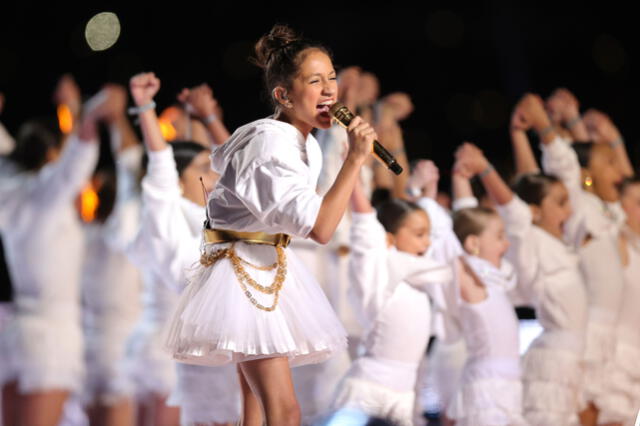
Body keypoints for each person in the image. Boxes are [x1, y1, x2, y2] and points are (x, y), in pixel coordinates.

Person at [162, 24, 376, 426]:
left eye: (332, 77)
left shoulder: (301, 141)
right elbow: (321, 228)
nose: (330, 90)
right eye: (315, 81)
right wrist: (354, 160)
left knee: (258, 410)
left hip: (264, 267)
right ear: (283, 94)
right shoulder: (270, 144)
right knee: (284, 411)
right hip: (244, 277)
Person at [127, 71, 241, 426]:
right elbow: (161, 166)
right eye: (204, 169)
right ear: (177, 181)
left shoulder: (216, 216)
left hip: (233, 347)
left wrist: (206, 117)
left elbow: (239, 171)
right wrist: (145, 107)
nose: (215, 175)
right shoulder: (166, 214)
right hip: (194, 355)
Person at [456, 136, 588, 425]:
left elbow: (532, 185)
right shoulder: (529, 239)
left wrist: (520, 135)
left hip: (573, 357)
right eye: (561, 203)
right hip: (555, 360)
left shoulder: (561, 243)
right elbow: (513, 210)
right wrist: (484, 169)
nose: (569, 211)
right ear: (535, 211)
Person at [0, 81, 108, 426]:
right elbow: (78, 158)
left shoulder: (10, 188)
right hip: (50, 338)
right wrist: (79, 112)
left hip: (17, 334)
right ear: (50, 158)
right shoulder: (44, 196)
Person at [330, 163, 451, 426]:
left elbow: (429, 233)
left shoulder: (419, 275)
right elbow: (366, 232)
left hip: (403, 396)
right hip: (368, 393)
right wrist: (353, 177)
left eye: (427, 235)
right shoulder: (380, 272)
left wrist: (427, 189)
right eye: (419, 235)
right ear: (389, 239)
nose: (427, 242)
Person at [443, 155, 525, 425]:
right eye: (500, 237)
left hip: (506, 385)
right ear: (474, 244)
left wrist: (460, 178)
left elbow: (467, 219)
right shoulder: (472, 278)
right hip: (488, 389)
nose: (506, 245)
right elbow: (453, 242)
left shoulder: (493, 278)